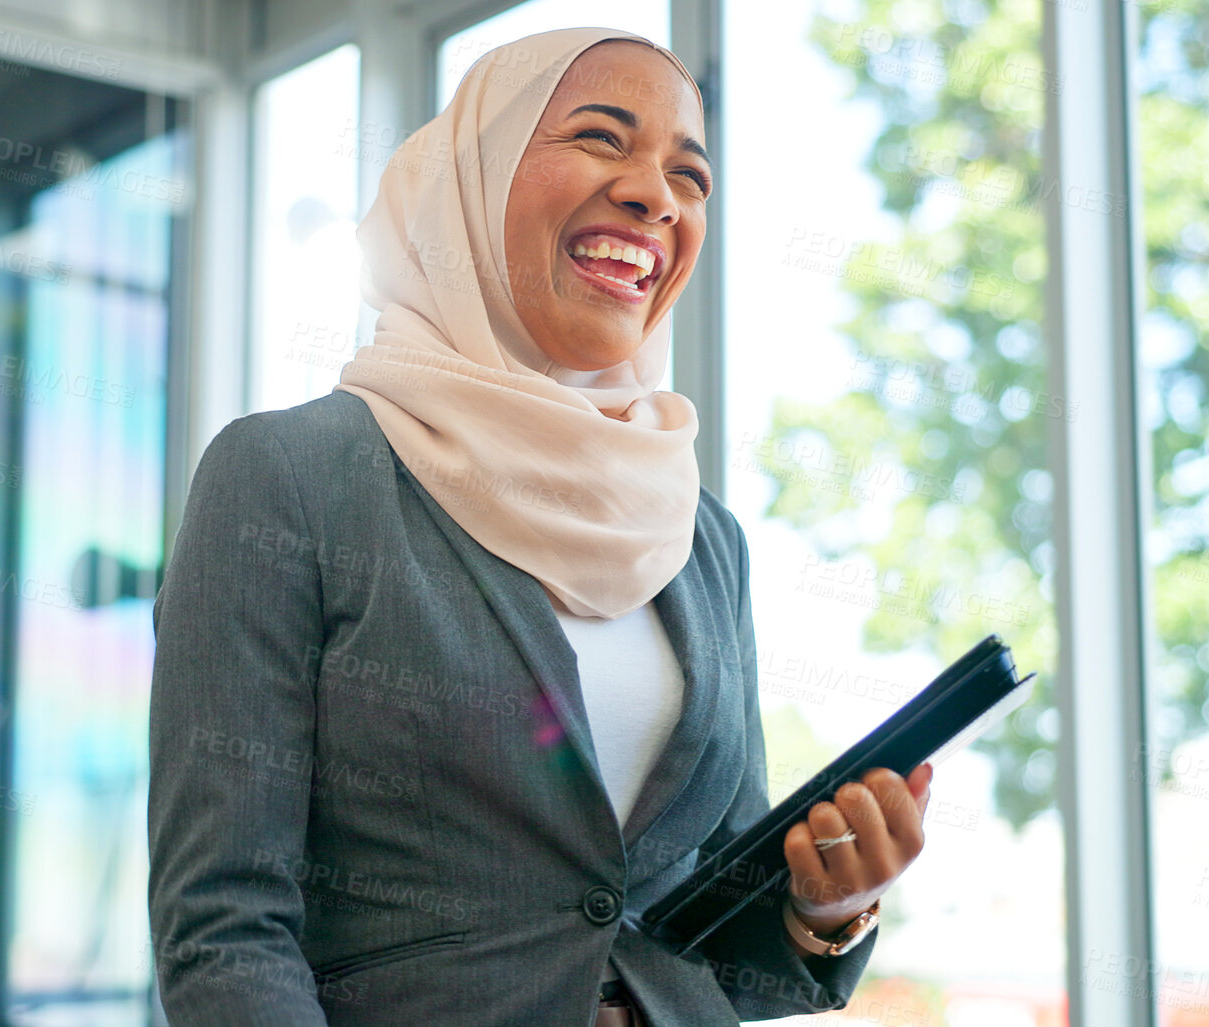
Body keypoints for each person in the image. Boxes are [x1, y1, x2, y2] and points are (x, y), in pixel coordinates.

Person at [147, 26, 933, 1027]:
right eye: (603, 139)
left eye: (689, 176)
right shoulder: (289, 478)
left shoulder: (703, 538)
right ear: (468, 184)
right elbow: (221, 929)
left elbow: (702, 957)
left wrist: (828, 910)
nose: (657, 194)